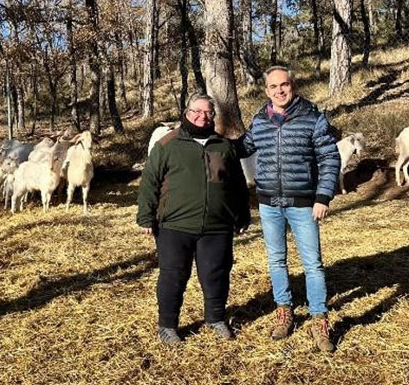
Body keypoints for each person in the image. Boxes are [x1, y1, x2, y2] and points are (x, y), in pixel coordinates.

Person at [240, 66, 340, 352]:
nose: (279, 90)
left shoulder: (312, 118)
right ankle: (284, 311)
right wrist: (208, 143)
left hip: (303, 204)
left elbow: (329, 159)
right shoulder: (260, 121)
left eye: (284, 85)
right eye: (273, 87)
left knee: (312, 264)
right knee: (276, 261)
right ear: (266, 91)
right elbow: (242, 147)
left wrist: (323, 196)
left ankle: (320, 319)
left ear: (292, 86)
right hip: (269, 204)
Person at [137, 93, 250, 345]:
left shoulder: (224, 146)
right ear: (186, 112)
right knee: (173, 275)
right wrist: (145, 216)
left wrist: (242, 214)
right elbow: (149, 182)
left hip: (217, 226)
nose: (202, 116)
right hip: (175, 225)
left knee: (217, 274)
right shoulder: (168, 144)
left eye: (208, 112)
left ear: (213, 115)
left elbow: (238, 185)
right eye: (197, 111)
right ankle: (167, 325)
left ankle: (216, 318)